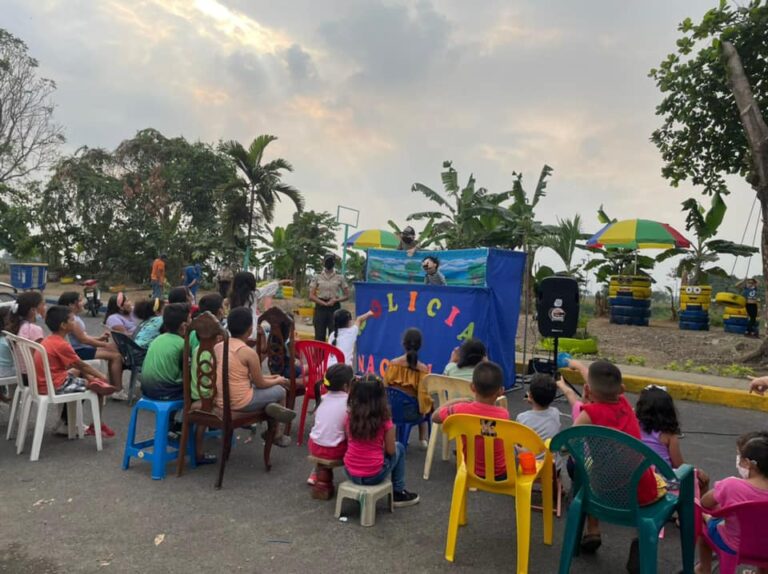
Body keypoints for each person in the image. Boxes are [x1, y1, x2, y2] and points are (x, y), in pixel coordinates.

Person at [569, 359, 661, 553]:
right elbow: (601, 388)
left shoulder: (589, 414)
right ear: (622, 390)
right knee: (644, 475)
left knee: (589, 472)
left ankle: (593, 529)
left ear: (586, 390)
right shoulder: (625, 404)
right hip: (639, 492)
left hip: (602, 492)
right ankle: (639, 539)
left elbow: (570, 439)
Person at [215, 307, 296, 447]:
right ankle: (277, 433)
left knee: (274, 388)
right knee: (281, 391)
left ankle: (270, 408)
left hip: (222, 400)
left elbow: (246, 377)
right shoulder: (248, 352)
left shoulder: (219, 346)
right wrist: (278, 380)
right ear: (249, 329)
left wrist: (272, 378)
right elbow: (260, 384)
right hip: (241, 402)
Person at [34, 305, 116, 438]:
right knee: (99, 388)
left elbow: (77, 367)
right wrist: (102, 377)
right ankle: (96, 424)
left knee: (85, 375)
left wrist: (92, 376)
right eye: (72, 320)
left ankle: (66, 422)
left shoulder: (49, 340)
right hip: (56, 385)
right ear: (63, 325)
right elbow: (82, 365)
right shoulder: (62, 344)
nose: (75, 322)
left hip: (47, 381)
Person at [696, 432, 768, 574]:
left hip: (734, 545)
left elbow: (705, 503)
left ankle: (704, 569)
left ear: (747, 463)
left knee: (705, 527)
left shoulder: (731, 485)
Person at [344, 373, 420, 507]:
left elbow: (349, 440)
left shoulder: (350, 417)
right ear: (381, 396)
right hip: (374, 475)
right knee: (399, 448)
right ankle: (398, 492)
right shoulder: (384, 419)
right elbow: (391, 450)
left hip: (350, 472)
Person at [431, 361, 509, 480]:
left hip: (470, 470)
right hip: (500, 474)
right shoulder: (503, 414)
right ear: (500, 391)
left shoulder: (460, 409)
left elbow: (435, 417)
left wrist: (456, 401)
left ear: (472, 387)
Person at [635, 384, 710, 492]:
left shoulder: (634, 425)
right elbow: (679, 465)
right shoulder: (669, 435)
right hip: (662, 482)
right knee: (703, 479)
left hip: (639, 478)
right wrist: (696, 471)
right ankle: (700, 507)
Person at [57, 291, 124, 394]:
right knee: (116, 356)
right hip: (81, 351)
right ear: (71, 305)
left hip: (83, 348)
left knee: (113, 353)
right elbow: (83, 340)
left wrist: (99, 338)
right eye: (79, 300)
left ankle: (112, 384)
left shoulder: (75, 318)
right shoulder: (73, 320)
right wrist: (104, 344)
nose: (83, 302)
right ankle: (118, 390)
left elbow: (85, 336)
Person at [306, 363, 354, 485]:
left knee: (327, 433)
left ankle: (315, 472)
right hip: (335, 450)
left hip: (314, 446)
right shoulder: (349, 403)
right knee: (354, 439)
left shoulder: (321, 398)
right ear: (345, 385)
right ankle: (356, 472)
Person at [383, 328, 430, 447]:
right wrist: (425, 410)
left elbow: (385, 387)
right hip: (411, 413)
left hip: (391, 411)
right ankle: (422, 439)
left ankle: (398, 437)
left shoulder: (393, 364)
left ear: (403, 344)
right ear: (420, 346)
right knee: (425, 405)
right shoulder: (423, 369)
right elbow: (422, 395)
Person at [139, 303, 190, 401]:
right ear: (184, 325)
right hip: (166, 392)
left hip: (146, 390)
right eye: (190, 319)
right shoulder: (182, 344)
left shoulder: (157, 339)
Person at [228, 271, 290, 341]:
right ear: (251, 283)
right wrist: (280, 282)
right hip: (251, 331)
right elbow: (266, 288)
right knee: (269, 330)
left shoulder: (232, 296)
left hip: (234, 330)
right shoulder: (253, 295)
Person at [309, 254, 350, 341]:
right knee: (319, 335)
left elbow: (347, 295)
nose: (329, 263)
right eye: (327, 261)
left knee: (334, 335)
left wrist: (336, 300)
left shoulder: (340, 277)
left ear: (334, 263)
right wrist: (323, 303)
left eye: (331, 261)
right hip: (320, 307)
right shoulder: (317, 277)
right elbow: (311, 295)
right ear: (323, 262)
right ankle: (320, 355)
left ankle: (332, 354)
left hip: (334, 307)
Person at [516, 373, 561, 442]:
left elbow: (519, 441)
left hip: (530, 452)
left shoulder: (522, 417)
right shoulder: (555, 412)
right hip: (550, 452)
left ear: (530, 396)